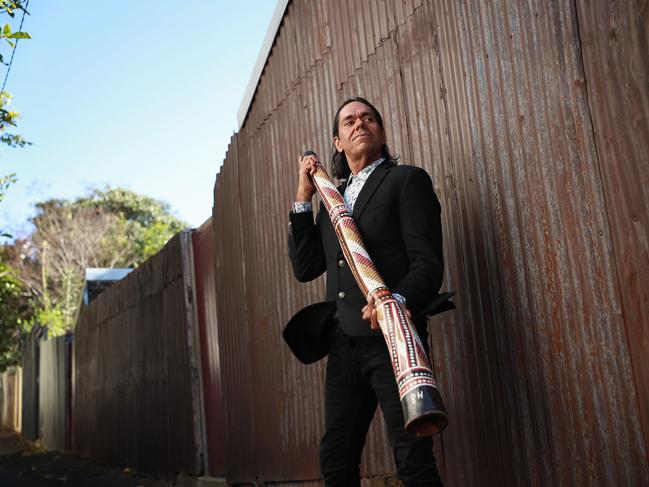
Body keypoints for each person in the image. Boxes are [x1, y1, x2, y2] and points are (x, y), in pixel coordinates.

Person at [286, 97, 448, 486]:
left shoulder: (406, 180)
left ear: (381, 131)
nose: (360, 123)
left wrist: (396, 302)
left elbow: (427, 264)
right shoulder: (332, 202)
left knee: (413, 461)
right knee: (337, 462)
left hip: (391, 337)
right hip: (344, 344)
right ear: (337, 142)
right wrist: (303, 197)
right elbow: (306, 268)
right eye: (349, 121)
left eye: (368, 118)